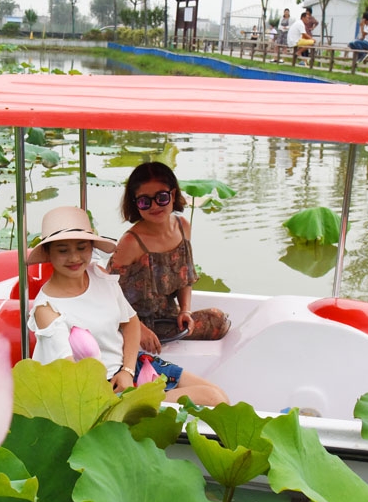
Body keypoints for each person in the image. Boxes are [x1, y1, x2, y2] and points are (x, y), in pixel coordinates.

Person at [27, 206, 229, 406]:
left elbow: (130, 322)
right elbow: (70, 373)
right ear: (48, 252)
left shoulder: (99, 276)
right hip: (99, 391)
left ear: (91, 247)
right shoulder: (47, 308)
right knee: (214, 399)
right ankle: (147, 404)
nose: (74, 258)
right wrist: (130, 392)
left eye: (81, 247)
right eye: (63, 250)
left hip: (128, 367)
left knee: (220, 395)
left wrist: (127, 371)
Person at [108, 162, 231, 355]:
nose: (154, 206)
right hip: (130, 321)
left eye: (161, 197)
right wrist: (138, 329)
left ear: (173, 195)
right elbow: (108, 294)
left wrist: (185, 311)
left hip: (167, 316)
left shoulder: (183, 227)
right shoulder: (131, 242)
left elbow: (186, 278)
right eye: (145, 201)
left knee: (217, 319)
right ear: (135, 203)